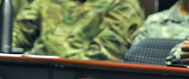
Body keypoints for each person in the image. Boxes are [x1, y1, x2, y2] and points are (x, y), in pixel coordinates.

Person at [12, 0, 144, 61]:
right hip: (34, 68)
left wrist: (52, 63)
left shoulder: (122, 4)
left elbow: (105, 54)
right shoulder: (47, 2)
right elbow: (16, 39)